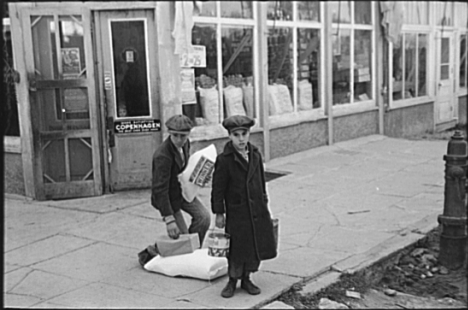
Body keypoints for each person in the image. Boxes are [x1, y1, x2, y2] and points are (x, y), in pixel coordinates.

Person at [211, 115, 277, 298]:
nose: (241, 139)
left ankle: (247, 278)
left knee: (254, 246)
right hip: (237, 211)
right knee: (236, 247)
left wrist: (264, 199)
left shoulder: (255, 154)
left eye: (244, 134)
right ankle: (232, 280)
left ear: (249, 134)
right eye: (236, 135)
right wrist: (219, 212)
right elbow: (218, 188)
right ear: (230, 136)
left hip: (257, 209)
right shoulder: (224, 160)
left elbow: (261, 180)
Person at [151, 114, 211, 245]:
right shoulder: (162, 156)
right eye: (175, 135)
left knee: (204, 218)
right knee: (180, 236)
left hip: (182, 191)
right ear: (169, 133)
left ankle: (193, 249)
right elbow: (159, 189)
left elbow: (184, 168)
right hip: (168, 198)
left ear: (189, 134)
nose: (179, 139)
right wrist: (169, 219)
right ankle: (152, 253)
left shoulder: (185, 144)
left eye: (183, 136)